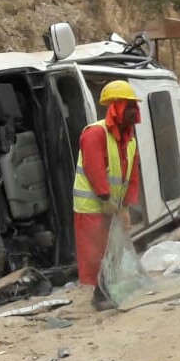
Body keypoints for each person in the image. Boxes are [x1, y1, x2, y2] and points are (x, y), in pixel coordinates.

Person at [72, 80, 142, 288]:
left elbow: (133, 176)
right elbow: (94, 169)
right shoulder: (95, 133)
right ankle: (96, 292)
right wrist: (106, 199)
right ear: (116, 107)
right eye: (128, 106)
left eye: (134, 106)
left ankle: (112, 285)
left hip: (113, 206)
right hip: (92, 208)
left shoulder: (129, 140)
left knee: (114, 250)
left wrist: (127, 207)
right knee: (94, 254)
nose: (134, 111)